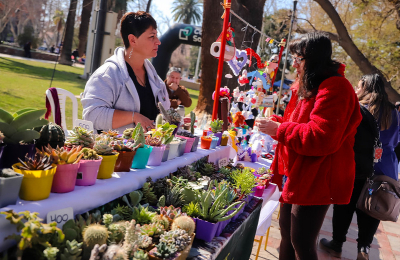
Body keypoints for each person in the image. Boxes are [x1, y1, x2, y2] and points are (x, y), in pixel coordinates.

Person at [255, 32, 362, 260]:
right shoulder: (310, 85)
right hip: (297, 172)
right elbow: (299, 125)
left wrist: (279, 130)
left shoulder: (336, 88)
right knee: (287, 233)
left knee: (302, 242)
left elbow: (321, 137)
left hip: (317, 176)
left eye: (299, 58)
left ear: (314, 58)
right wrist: (278, 124)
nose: (294, 64)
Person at [320, 74, 400, 260]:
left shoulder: (359, 109)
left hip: (357, 166)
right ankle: (363, 249)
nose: (356, 90)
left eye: (358, 87)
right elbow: (395, 141)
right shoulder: (393, 112)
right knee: (372, 208)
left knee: (344, 206)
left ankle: (337, 244)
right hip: (384, 170)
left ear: (366, 88)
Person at [81, 11, 170, 133]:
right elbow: (92, 116)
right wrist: (134, 117)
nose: (158, 41)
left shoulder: (155, 79)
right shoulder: (107, 75)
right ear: (133, 40)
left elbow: (165, 114)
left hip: (150, 150)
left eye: (156, 36)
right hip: (118, 151)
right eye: (151, 36)